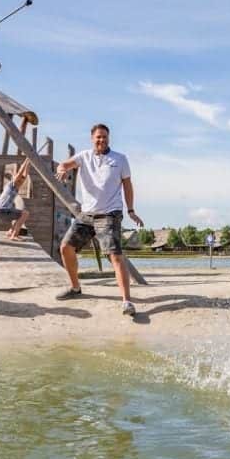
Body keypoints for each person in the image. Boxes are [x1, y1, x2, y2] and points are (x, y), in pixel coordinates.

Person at [55, 123, 144, 316]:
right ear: (92, 138)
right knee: (65, 247)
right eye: (98, 137)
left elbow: (127, 186)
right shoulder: (84, 156)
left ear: (108, 138)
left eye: (104, 137)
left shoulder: (120, 159)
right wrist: (62, 168)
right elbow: (65, 164)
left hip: (110, 213)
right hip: (87, 215)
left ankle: (127, 301)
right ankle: (75, 288)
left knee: (115, 255)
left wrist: (131, 210)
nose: (101, 140)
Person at [0, 158, 31, 240]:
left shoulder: (16, 187)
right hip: (1, 211)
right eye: (20, 179)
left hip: (0, 212)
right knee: (25, 214)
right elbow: (21, 172)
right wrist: (26, 160)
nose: (21, 181)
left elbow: (25, 174)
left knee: (20, 214)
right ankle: (14, 235)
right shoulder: (12, 185)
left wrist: (29, 161)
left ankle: (11, 232)